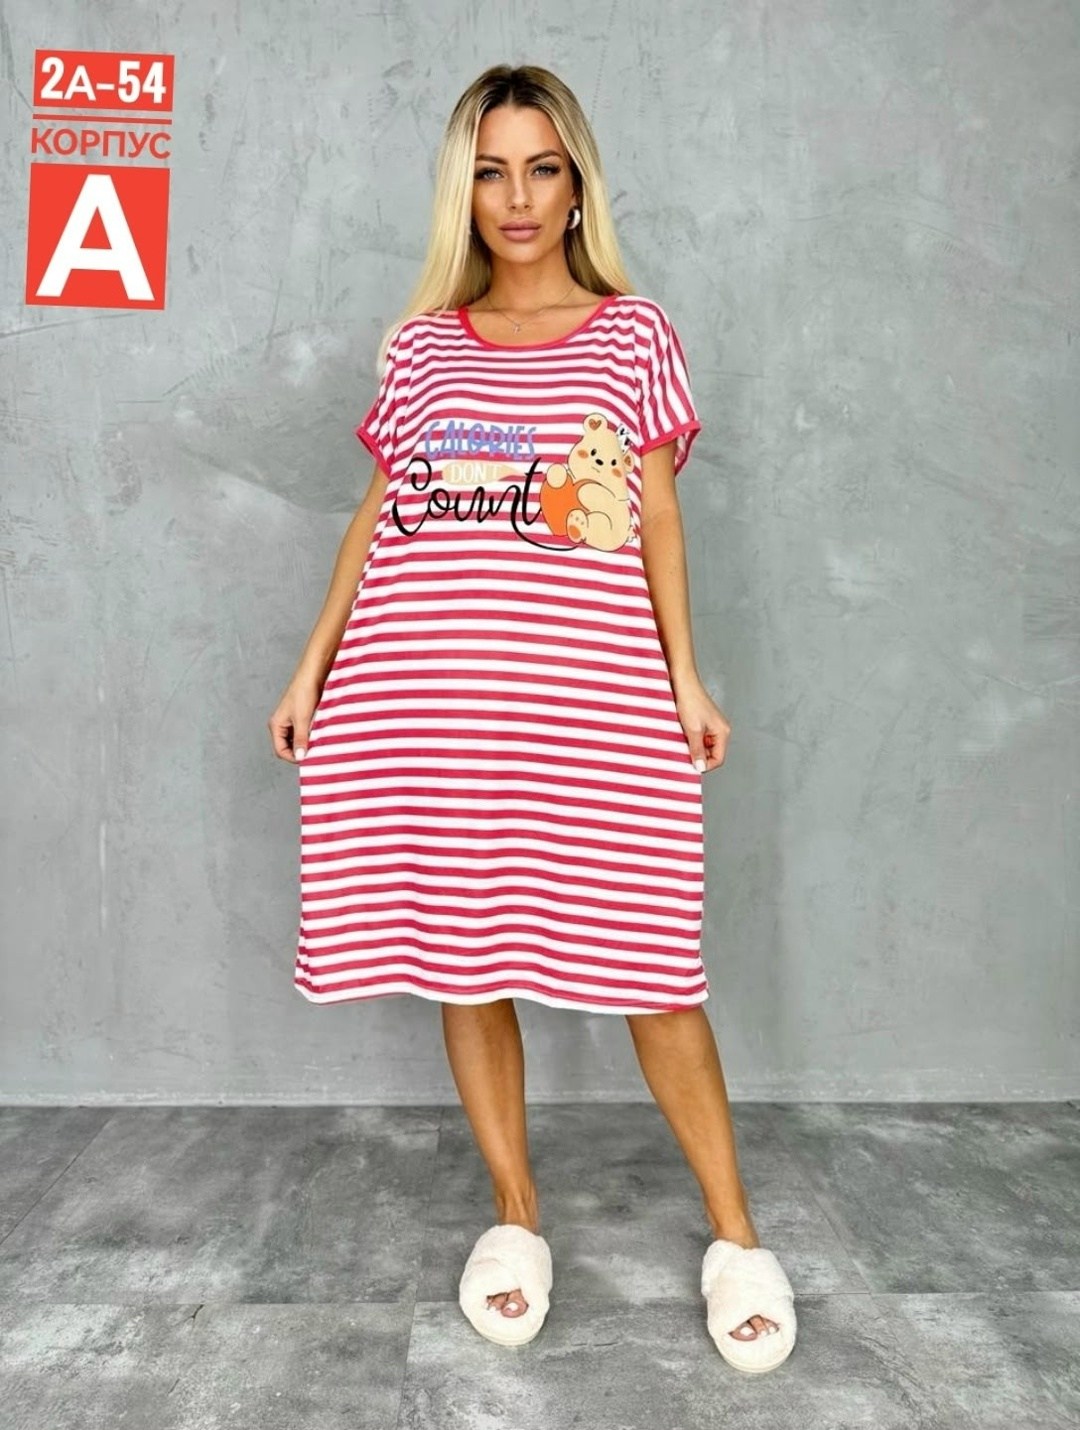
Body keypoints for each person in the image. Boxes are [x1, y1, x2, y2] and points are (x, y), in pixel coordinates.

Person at [268, 63, 796, 1372]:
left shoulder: (632, 334)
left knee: (652, 967)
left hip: (588, 698)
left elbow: (655, 511)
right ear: (465, 190)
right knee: (466, 953)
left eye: (542, 169)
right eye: (491, 171)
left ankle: (737, 1236)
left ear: (576, 187)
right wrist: (312, 664)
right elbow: (377, 513)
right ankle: (515, 1216)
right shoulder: (423, 345)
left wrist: (683, 675)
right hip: (424, 693)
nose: (517, 198)